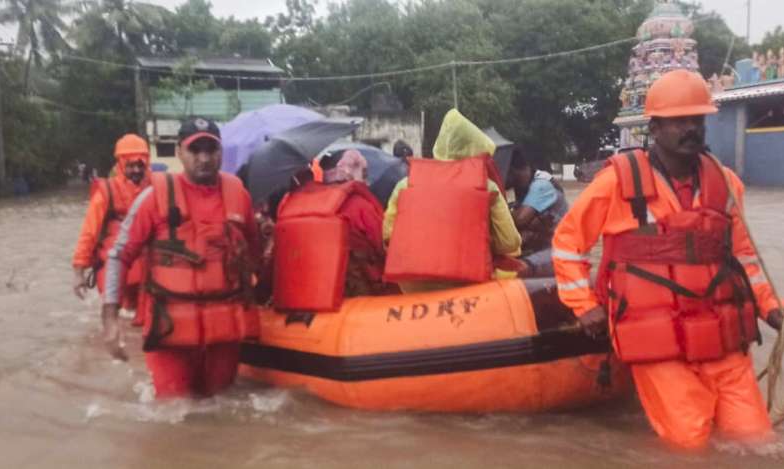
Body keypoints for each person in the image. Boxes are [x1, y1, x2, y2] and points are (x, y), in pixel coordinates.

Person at [552, 69, 784, 449]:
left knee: (756, 440)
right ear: (655, 128)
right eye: (679, 121)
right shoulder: (616, 184)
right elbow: (567, 242)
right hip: (658, 342)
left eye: (697, 120)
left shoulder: (726, 184)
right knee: (687, 445)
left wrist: (770, 308)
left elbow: (744, 257)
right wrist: (583, 306)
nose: (690, 128)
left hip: (722, 339)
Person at [101, 117, 260, 398]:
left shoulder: (239, 195)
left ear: (221, 153)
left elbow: (255, 253)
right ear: (179, 152)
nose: (204, 158)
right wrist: (111, 319)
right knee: (173, 416)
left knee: (223, 413)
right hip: (170, 333)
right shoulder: (153, 198)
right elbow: (118, 256)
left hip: (224, 335)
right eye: (194, 150)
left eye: (211, 150)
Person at [383, 109, 522, 292]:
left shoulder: (406, 184)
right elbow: (509, 243)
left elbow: (387, 237)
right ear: (476, 149)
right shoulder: (487, 186)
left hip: (413, 288)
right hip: (468, 289)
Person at [273, 150, 387, 311]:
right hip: (358, 303)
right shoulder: (362, 207)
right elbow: (384, 250)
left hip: (300, 300)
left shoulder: (292, 203)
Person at [72, 134, 151, 322]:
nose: (136, 170)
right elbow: (89, 233)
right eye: (131, 165)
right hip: (114, 267)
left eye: (140, 165)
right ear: (121, 165)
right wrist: (79, 272)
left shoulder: (157, 187)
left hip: (148, 268)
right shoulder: (106, 193)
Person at [504, 148, 569, 277]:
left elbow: (520, 220)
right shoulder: (524, 187)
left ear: (511, 170)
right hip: (544, 246)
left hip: (561, 250)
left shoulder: (541, 186)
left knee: (516, 270)